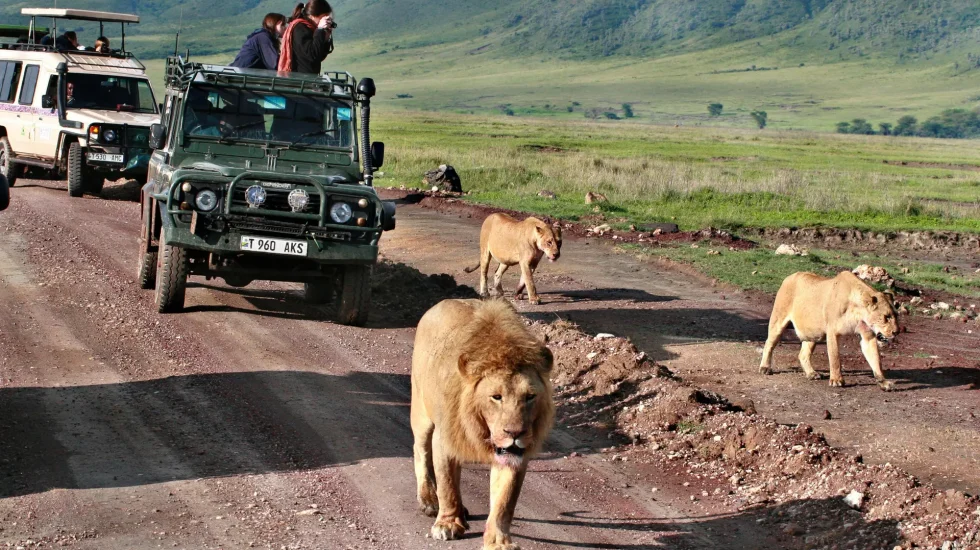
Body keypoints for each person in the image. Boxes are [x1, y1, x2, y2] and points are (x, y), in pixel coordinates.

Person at [277, 1, 334, 75]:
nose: (326, 20)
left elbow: (318, 57)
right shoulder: (300, 28)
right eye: (324, 17)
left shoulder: (310, 29)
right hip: (301, 81)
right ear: (312, 16)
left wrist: (325, 38)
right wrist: (320, 30)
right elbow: (312, 55)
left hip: (308, 79)